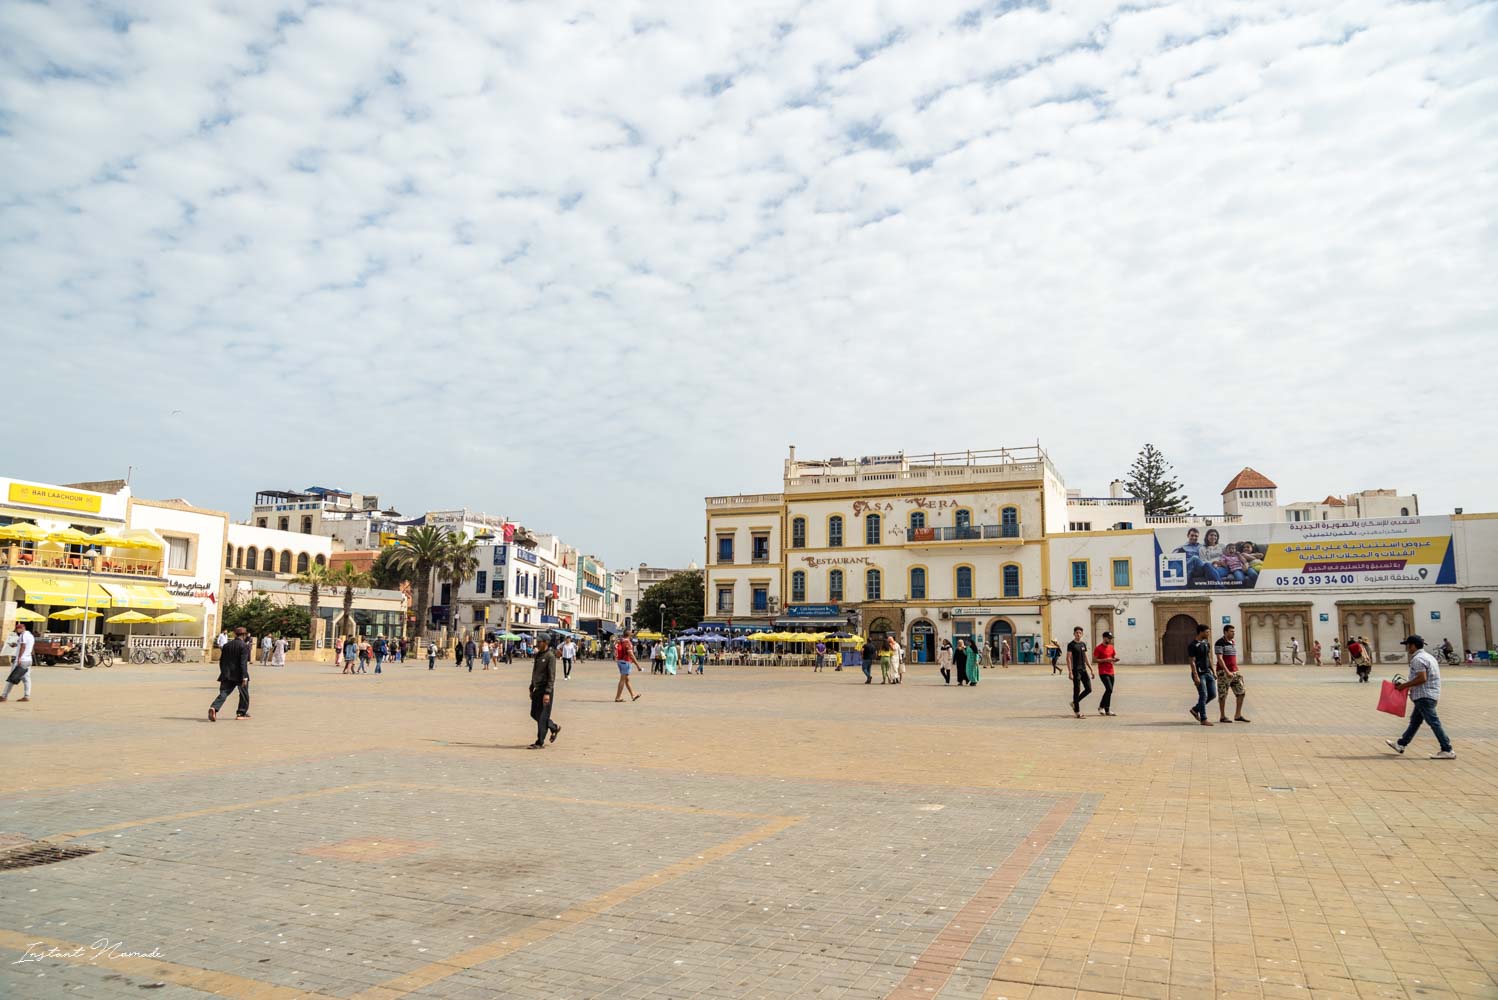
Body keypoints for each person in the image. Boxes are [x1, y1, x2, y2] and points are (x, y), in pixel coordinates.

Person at [1385, 634, 1455, 759]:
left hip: (1424, 695)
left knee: (1434, 722)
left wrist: (1404, 686)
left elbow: (1422, 678)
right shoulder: (1428, 657)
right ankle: (1401, 744)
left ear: (1413, 646)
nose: (1407, 648)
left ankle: (1447, 749)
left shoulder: (1417, 659)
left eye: (1408, 645)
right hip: (1428, 694)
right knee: (1415, 721)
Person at [526, 638, 562, 749]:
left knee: (542, 716)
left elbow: (552, 676)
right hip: (537, 688)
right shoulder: (538, 655)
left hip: (545, 689)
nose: (537, 643)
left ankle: (539, 742)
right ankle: (553, 727)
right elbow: (535, 672)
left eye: (540, 642)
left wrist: (547, 692)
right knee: (534, 713)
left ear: (545, 643)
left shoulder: (550, 657)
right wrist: (532, 687)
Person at [209, 626, 251, 721]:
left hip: (227, 673)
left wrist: (223, 672)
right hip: (240, 674)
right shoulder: (244, 646)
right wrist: (244, 676)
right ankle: (241, 713)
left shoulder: (226, 645)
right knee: (244, 694)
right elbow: (243, 663)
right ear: (244, 635)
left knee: (224, 693)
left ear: (235, 634)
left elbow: (222, 661)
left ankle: (214, 708)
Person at [1214, 624, 1249, 722]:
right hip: (1223, 672)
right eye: (1231, 631)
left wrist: (1235, 670)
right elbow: (1220, 659)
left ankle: (1237, 715)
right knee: (1223, 694)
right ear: (1225, 632)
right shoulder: (1220, 643)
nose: (1233, 633)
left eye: (1234, 631)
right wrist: (1227, 671)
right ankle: (1222, 716)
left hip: (1235, 671)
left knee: (1241, 692)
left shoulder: (1232, 642)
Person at [1187, 623, 1215, 726]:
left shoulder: (1206, 643)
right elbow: (1192, 661)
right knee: (1203, 695)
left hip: (1208, 673)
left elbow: (1208, 658)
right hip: (1199, 674)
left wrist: (1213, 671)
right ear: (1201, 632)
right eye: (1207, 632)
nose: (1209, 634)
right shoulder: (1192, 645)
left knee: (1212, 694)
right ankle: (1204, 719)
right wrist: (1196, 676)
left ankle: (1195, 709)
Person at [1, 622, 35, 702]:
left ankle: (4, 696)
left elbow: (23, 646)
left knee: (12, 678)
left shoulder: (23, 635)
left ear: (21, 629)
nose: (16, 632)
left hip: (21, 660)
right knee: (26, 678)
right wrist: (15, 645)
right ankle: (27, 696)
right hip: (28, 660)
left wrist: (19, 658)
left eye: (17, 630)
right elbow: (26, 646)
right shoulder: (30, 635)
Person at [1066, 627, 1092, 718]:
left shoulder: (1083, 644)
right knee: (1076, 690)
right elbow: (1068, 658)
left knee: (1089, 689)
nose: (1078, 634)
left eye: (1080, 633)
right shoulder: (1071, 645)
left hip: (1084, 670)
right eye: (1077, 632)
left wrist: (1091, 669)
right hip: (1076, 670)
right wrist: (1070, 672)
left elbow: (1085, 657)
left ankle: (1074, 702)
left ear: (1082, 634)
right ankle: (1077, 712)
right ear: (1074, 634)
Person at [1094, 631, 1118, 716]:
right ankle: (1101, 707)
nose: (1110, 640)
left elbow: (1113, 657)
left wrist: (1115, 659)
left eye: (1111, 638)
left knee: (1109, 691)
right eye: (1109, 638)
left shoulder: (1111, 647)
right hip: (1103, 672)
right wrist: (1105, 660)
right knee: (1109, 689)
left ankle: (1107, 710)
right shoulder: (1098, 648)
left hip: (1111, 671)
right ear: (1104, 638)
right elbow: (1095, 660)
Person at [614, 634, 641, 701]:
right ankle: (618, 697)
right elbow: (631, 655)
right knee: (622, 680)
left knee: (627, 680)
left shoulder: (620, 641)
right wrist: (638, 665)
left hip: (620, 661)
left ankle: (633, 695)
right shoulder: (627, 642)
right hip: (625, 662)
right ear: (629, 635)